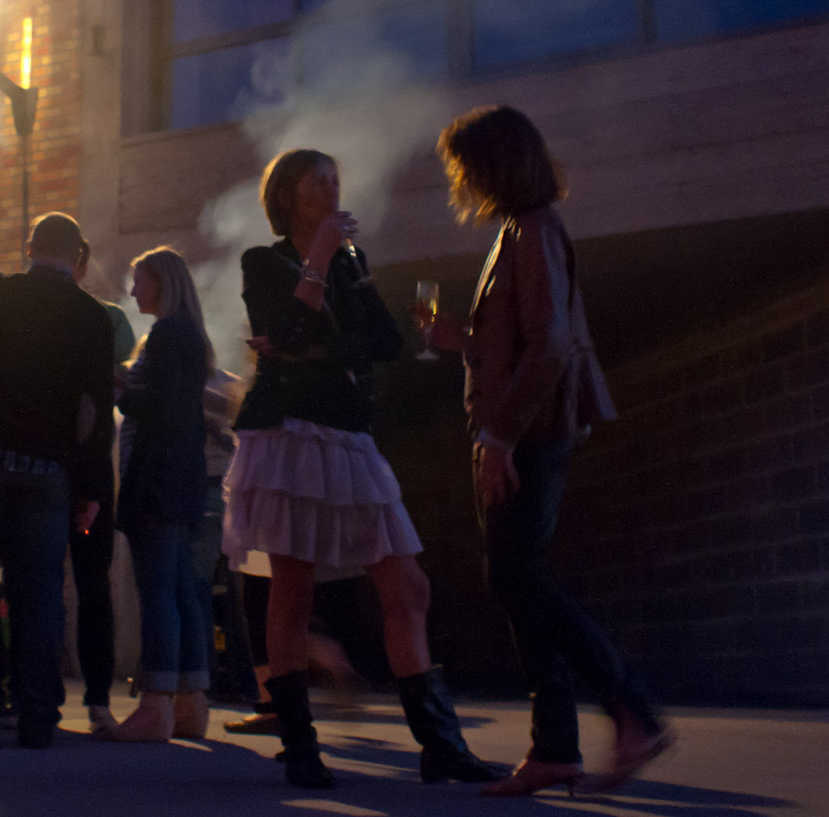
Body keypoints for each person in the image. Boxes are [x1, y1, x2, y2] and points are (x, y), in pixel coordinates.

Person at [224, 148, 496, 789]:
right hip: (291, 432)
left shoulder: (353, 262)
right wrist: (316, 262)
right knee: (293, 585)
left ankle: (440, 745)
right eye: (318, 179)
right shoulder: (263, 261)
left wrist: (314, 331)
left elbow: (383, 344)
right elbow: (286, 330)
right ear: (288, 193)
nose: (332, 186)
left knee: (407, 584)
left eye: (335, 178)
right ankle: (299, 745)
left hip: (349, 434)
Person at [436, 104, 672, 796]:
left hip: (531, 434)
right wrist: (462, 342)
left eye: (466, 166)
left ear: (493, 163)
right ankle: (556, 748)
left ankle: (632, 714)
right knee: (517, 576)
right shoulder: (519, 231)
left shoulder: (533, 230)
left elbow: (551, 345)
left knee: (519, 576)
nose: (461, 180)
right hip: (525, 431)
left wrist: (498, 438)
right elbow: (518, 342)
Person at [0, 212, 115, 750]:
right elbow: (96, 413)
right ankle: (37, 719)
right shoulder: (92, 318)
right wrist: (92, 491)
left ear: (29, 246)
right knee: (40, 594)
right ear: (78, 258)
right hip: (48, 470)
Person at [101, 248, 211, 741]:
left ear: (161, 282)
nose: (132, 292)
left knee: (157, 594)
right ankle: (190, 702)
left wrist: (120, 390)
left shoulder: (167, 334)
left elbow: (160, 409)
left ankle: (155, 704)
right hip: (182, 481)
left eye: (139, 282)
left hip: (156, 483)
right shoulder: (188, 334)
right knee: (181, 591)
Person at [72, 238, 134, 730]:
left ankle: (83, 697)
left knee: (69, 585)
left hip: (71, 465)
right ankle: (94, 701)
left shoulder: (108, 318)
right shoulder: (108, 319)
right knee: (91, 587)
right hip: (88, 465)